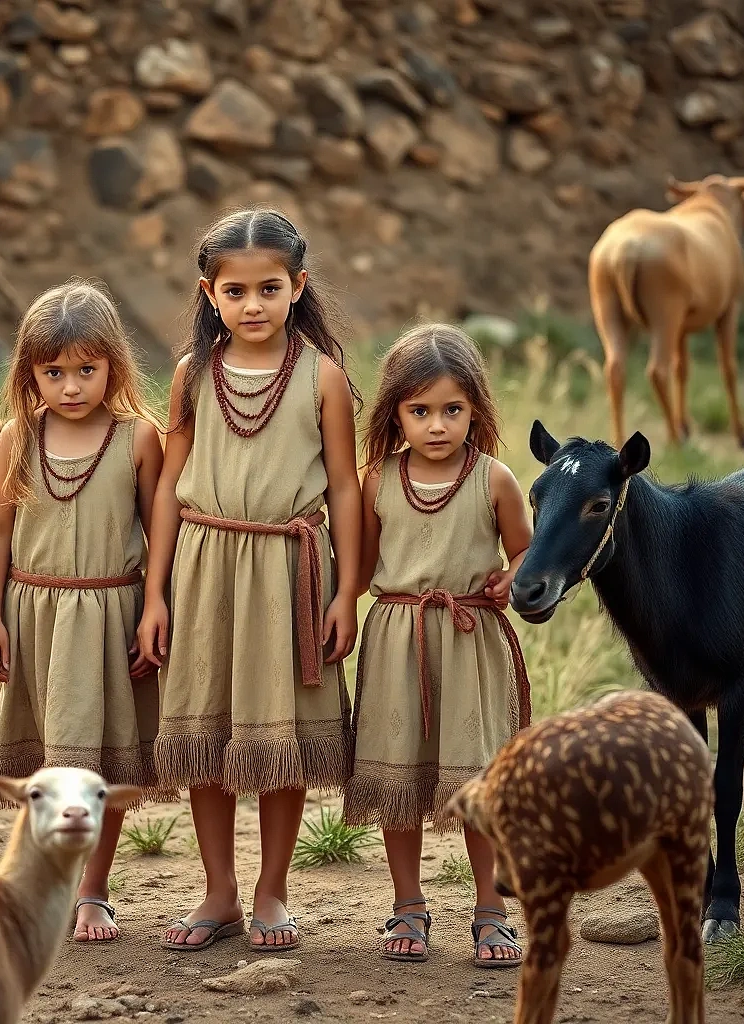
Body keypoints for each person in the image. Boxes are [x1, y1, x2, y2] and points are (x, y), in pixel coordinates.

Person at [138, 209, 362, 951]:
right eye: (235, 292)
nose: (253, 305)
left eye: (270, 288)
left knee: (279, 737)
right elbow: (170, 482)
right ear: (209, 294)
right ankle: (218, 892)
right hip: (204, 565)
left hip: (290, 571)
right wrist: (156, 593)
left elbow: (345, 486)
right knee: (205, 734)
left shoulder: (322, 377)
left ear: (298, 287)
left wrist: (346, 590)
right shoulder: (192, 375)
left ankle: (271, 891)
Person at [0, 279, 165, 943]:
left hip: (111, 616)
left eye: (87, 369)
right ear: (30, 372)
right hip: (34, 619)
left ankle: (93, 890)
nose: (71, 386)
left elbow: (158, 529)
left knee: (97, 767)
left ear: (114, 363)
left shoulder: (138, 438)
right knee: (45, 767)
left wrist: (154, 605)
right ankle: (34, 885)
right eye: (53, 372)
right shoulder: (15, 438)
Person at [343, 323, 532, 967]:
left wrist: (510, 580)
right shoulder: (378, 483)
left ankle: (490, 912)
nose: (436, 426)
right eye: (419, 411)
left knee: (474, 782)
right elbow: (363, 569)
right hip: (397, 641)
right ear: (395, 413)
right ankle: (408, 908)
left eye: (452, 410)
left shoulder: (494, 479)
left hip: (469, 643)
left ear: (474, 409)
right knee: (400, 780)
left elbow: (526, 555)